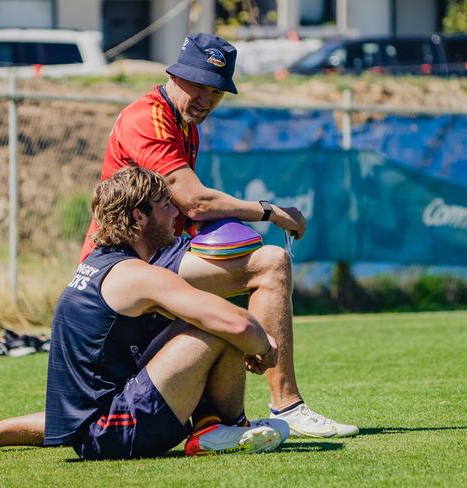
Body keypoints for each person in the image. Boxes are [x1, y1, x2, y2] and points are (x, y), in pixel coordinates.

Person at [77, 32, 358, 437]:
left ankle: (215, 421)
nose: (206, 99)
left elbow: (182, 209)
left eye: (217, 91)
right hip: (117, 268)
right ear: (175, 74)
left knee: (223, 313)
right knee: (270, 264)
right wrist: (269, 211)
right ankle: (287, 406)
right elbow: (194, 202)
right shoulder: (149, 119)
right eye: (198, 85)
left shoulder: (182, 122)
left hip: (139, 259)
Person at [0, 166, 290, 460]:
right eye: (165, 206)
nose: (177, 213)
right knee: (216, 324)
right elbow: (234, 322)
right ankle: (220, 429)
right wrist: (264, 346)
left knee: (199, 320)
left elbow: (75, 415)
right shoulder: (136, 275)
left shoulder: (97, 264)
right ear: (140, 217)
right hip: (118, 432)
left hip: (93, 427)